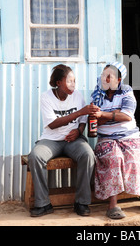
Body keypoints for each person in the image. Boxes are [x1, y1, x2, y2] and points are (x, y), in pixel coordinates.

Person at [28, 64, 99, 217]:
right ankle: (43, 203)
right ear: (59, 82)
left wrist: (78, 131)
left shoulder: (77, 95)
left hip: (73, 140)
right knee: (35, 157)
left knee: (88, 155)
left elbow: (83, 119)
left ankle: (82, 202)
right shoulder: (46, 97)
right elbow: (52, 124)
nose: (73, 85)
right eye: (69, 81)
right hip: (51, 140)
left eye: (74, 81)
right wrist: (80, 112)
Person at [91, 62, 140, 219]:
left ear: (119, 79)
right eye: (104, 75)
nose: (105, 78)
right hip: (106, 138)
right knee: (114, 158)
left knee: (137, 157)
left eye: (110, 76)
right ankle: (113, 205)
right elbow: (95, 121)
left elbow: (127, 116)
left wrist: (105, 115)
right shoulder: (96, 95)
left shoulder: (127, 91)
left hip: (129, 136)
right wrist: (115, 114)